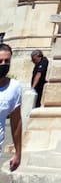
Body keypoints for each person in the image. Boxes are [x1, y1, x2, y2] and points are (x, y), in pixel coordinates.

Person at [0, 42, 23, 172]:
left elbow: (16, 121)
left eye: (7, 61)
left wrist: (18, 153)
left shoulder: (14, 87)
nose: (3, 64)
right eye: (0, 61)